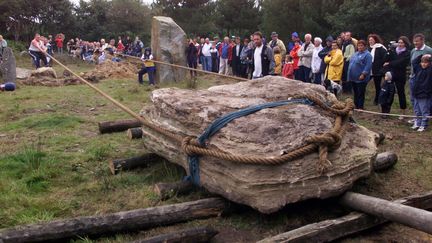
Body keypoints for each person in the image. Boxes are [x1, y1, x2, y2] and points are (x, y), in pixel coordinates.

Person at [383, 36, 411, 116]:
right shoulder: (393, 51)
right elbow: (385, 59)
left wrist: (390, 63)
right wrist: (388, 50)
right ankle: (386, 111)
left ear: (405, 43)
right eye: (399, 42)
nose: (400, 44)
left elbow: (401, 63)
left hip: (400, 75)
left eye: (402, 43)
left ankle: (403, 112)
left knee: (401, 93)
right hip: (391, 74)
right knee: (388, 92)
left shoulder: (407, 53)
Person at [408, 33, 432, 124]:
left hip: (425, 79)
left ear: (422, 40)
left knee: (424, 100)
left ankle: (425, 118)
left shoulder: (429, 50)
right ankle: (416, 117)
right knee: (413, 99)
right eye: (414, 41)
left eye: (417, 41)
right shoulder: (413, 50)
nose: (415, 43)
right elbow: (413, 63)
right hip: (413, 78)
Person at [348, 40, 373, 109]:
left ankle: (360, 107)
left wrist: (363, 74)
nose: (360, 47)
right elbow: (351, 63)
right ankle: (355, 106)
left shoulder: (367, 55)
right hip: (353, 77)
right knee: (355, 93)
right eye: (359, 45)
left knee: (360, 93)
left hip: (361, 78)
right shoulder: (355, 54)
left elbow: (368, 66)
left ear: (365, 46)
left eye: (361, 45)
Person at [411, 54, 432, 132]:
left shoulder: (430, 70)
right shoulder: (418, 68)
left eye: (426, 62)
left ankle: (424, 125)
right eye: (422, 62)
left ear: (429, 63)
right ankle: (418, 123)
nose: (423, 64)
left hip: (424, 94)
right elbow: (414, 62)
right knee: (417, 110)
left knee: (424, 110)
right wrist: (422, 55)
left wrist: (430, 56)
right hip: (416, 93)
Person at [368, 34, 387, 105]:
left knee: (377, 85)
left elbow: (385, 58)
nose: (370, 41)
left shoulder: (381, 48)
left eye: (372, 40)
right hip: (369, 69)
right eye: (369, 40)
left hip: (377, 70)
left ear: (375, 40)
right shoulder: (369, 48)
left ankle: (377, 99)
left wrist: (382, 67)